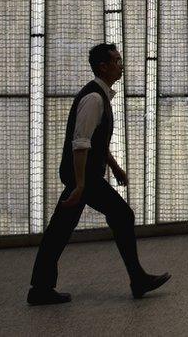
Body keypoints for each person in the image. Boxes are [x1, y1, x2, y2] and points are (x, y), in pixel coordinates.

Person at [27, 43, 170, 305]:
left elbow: (96, 142)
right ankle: (137, 279)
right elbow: (80, 142)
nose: (121, 64)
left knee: (58, 231)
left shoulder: (100, 95)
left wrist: (114, 168)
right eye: (116, 60)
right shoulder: (93, 98)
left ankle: (40, 288)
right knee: (122, 215)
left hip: (84, 179)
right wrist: (80, 184)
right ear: (103, 67)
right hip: (84, 179)